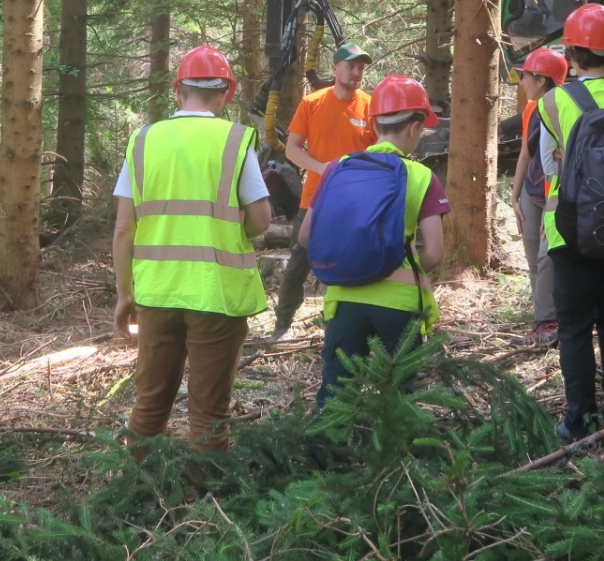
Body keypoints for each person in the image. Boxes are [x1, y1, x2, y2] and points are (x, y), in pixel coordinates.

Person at [113, 46, 273, 451]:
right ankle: (207, 506)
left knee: (149, 403)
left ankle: (138, 492)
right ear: (227, 92)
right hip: (215, 293)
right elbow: (261, 219)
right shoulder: (235, 140)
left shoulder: (144, 141)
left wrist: (124, 295)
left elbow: (122, 230)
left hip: (157, 294)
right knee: (209, 412)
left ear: (177, 90)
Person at [534, 6, 604, 442]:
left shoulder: (552, 101)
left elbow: (549, 165)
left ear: (572, 52)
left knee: (576, 328)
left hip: (571, 231)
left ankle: (578, 419)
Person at [300, 74, 450, 406]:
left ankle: (324, 455)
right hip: (397, 304)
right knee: (398, 393)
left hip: (342, 299)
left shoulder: (337, 168)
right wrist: (404, 270)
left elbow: (305, 234)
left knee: (336, 389)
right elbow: (435, 252)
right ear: (413, 127)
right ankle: (395, 457)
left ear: (376, 122)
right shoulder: (421, 175)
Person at [272, 40, 377, 340]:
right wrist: (322, 169)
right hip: (315, 198)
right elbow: (292, 149)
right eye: (351, 66)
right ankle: (282, 324)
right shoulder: (312, 103)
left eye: (361, 67)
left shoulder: (370, 107)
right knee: (298, 261)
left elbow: (380, 153)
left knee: (348, 265)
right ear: (335, 69)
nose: (356, 72)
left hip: (355, 203)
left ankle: (339, 326)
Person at [511, 47, 569, 347]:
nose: (522, 81)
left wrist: (551, 206)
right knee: (534, 257)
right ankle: (542, 322)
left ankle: (550, 321)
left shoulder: (564, 106)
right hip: (531, 193)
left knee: (549, 258)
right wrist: (514, 193)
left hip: (554, 196)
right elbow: (525, 153)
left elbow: (557, 162)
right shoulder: (531, 109)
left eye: (526, 76)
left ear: (542, 79)